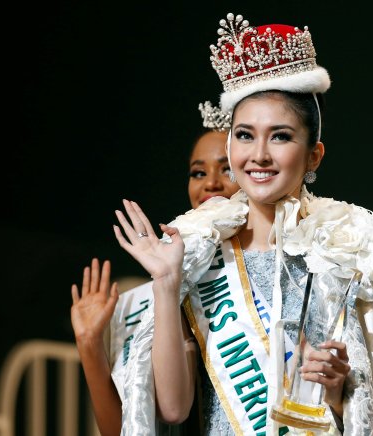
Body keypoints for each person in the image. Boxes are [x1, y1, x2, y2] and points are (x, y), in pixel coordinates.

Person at [102, 12, 373, 436]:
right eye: (245, 134)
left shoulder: (347, 247)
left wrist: (335, 387)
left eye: (281, 136)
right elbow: (174, 408)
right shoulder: (198, 249)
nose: (258, 155)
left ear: (314, 156)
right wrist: (166, 282)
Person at [70, 101, 239, 436]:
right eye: (198, 172)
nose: (211, 184)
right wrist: (89, 345)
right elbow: (123, 428)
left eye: (228, 169)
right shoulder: (161, 287)